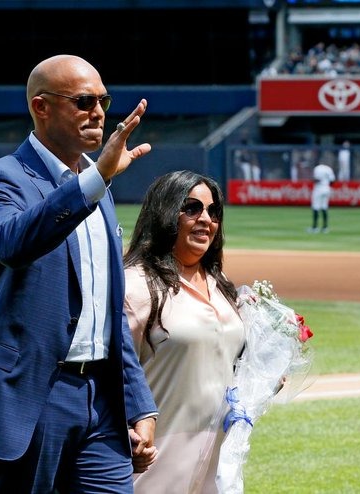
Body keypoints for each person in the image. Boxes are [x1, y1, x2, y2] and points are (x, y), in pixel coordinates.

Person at [0, 54, 159, 494]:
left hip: (102, 401)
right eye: (84, 101)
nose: (99, 112)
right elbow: (12, 244)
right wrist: (96, 182)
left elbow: (106, 311)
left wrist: (139, 403)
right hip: (31, 397)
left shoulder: (98, 185)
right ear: (41, 107)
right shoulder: (0, 179)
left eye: (104, 100)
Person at [122, 170, 246, 493]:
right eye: (191, 208)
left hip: (217, 467)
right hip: (156, 462)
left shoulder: (222, 287)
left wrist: (264, 375)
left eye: (213, 211)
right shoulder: (136, 286)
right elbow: (109, 373)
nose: (206, 219)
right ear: (164, 212)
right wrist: (127, 432)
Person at [309, 162, 336, 233]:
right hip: (326, 188)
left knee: (316, 207)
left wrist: (313, 180)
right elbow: (332, 180)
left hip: (319, 189)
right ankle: (325, 227)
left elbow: (317, 179)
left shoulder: (317, 168)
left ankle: (315, 227)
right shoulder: (328, 168)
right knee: (324, 207)